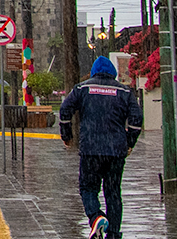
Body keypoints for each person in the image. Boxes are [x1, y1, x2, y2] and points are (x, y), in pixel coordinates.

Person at [59, 56, 143, 239]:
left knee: (88, 188)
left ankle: (96, 216)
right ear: (113, 73)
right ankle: (113, 234)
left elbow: (65, 110)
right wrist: (130, 142)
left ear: (94, 72)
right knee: (113, 192)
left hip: (91, 149)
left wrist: (67, 135)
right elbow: (136, 120)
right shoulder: (125, 91)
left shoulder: (82, 89)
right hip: (116, 151)